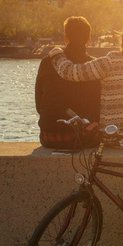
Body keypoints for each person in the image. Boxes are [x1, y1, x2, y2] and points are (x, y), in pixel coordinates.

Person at [35, 16, 102, 149]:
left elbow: (39, 104)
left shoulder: (47, 62)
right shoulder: (93, 66)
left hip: (48, 136)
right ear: (88, 40)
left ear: (66, 38)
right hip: (82, 136)